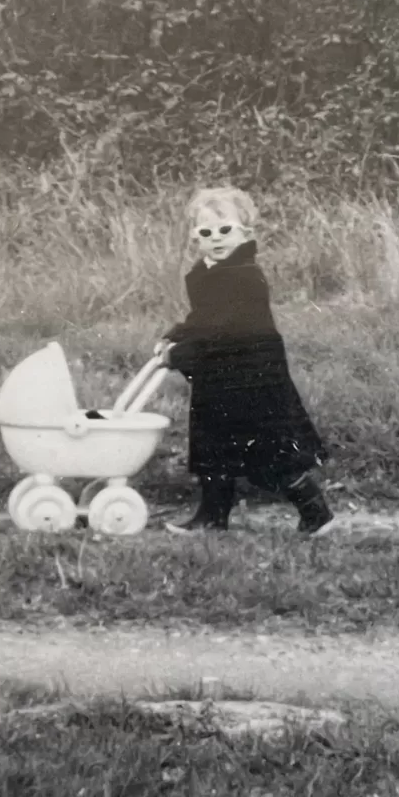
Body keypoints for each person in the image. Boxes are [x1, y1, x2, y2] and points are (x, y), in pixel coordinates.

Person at [159, 185, 333, 535]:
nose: (217, 238)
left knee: (270, 448)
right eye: (206, 233)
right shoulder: (203, 272)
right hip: (219, 375)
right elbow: (204, 318)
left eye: (226, 230)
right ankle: (212, 517)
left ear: (245, 232)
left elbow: (226, 328)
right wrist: (176, 334)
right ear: (196, 237)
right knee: (212, 444)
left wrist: (181, 354)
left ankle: (315, 512)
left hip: (253, 374)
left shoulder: (245, 276)